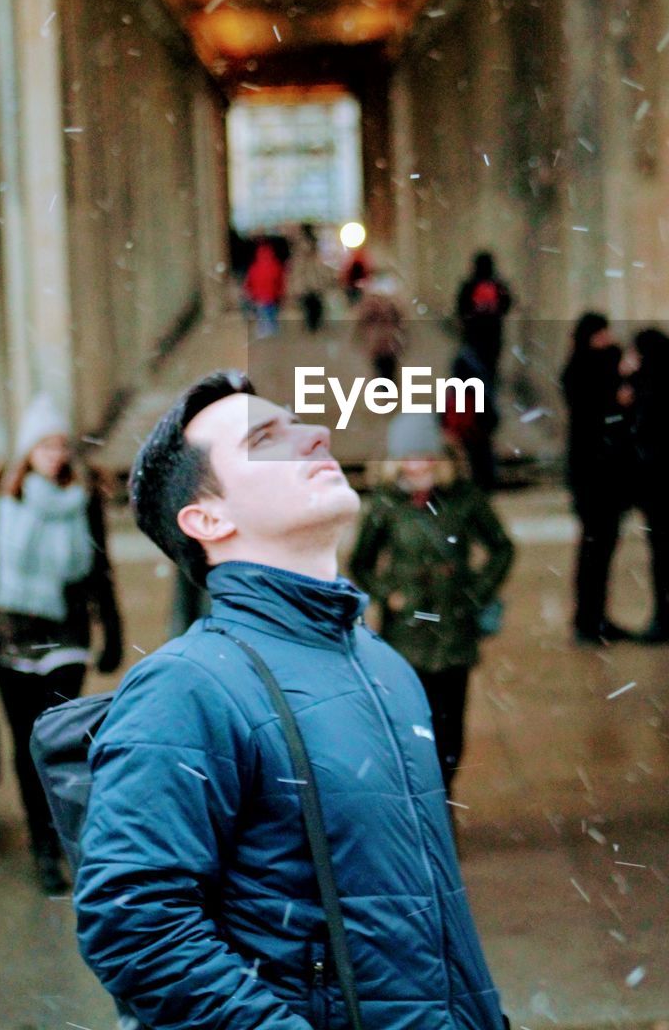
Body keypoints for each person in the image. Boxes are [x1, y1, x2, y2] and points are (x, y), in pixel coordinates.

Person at [74, 371, 510, 1030]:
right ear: (206, 518)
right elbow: (134, 926)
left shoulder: (383, 666)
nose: (315, 434)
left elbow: (424, 921)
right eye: (265, 438)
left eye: (296, 422)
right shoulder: (186, 686)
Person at [0, 395, 122, 893]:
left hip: (66, 638)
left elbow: (99, 569)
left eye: (60, 444)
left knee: (59, 741)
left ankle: (64, 837)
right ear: (28, 449)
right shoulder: (6, 499)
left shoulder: (83, 500)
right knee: (25, 747)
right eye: (45, 444)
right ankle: (43, 846)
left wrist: (112, 631)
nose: (55, 453)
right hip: (11, 642)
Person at [349, 412, 514, 796]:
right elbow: (360, 563)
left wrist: (473, 593)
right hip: (405, 633)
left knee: (450, 726)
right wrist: (388, 590)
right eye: (409, 457)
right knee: (408, 725)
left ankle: (443, 795)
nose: (417, 465)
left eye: (425, 456)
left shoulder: (464, 499)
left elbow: (501, 548)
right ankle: (420, 797)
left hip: (453, 631)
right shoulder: (385, 506)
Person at [622, 327, 669, 643]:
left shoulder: (652, 391)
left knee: (664, 551)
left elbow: (646, 436)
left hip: (658, 481)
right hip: (666, 480)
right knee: (668, 548)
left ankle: (668, 617)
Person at [560, 313, 633, 645]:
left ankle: (593, 617)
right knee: (595, 550)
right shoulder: (591, 371)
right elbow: (605, 409)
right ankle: (590, 620)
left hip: (596, 476)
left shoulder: (581, 369)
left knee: (597, 549)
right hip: (598, 476)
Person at [442, 342, 500, 491]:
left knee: (471, 461)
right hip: (475, 432)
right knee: (480, 460)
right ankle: (484, 486)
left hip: (466, 431)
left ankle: (477, 486)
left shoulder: (456, 390)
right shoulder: (476, 385)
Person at [455, 251, 512, 381]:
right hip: (493, 337)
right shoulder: (497, 285)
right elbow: (506, 305)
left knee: (472, 369)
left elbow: (461, 308)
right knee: (490, 370)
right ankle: (488, 395)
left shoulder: (470, 285)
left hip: (473, 335)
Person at [354, 272, 407, 382]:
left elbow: (401, 323)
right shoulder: (370, 307)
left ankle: (389, 387)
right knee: (380, 368)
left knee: (389, 369)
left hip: (389, 345)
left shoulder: (392, 307)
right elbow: (361, 323)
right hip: (378, 344)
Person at [288, 222, 332, 333]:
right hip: (313, 281)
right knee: (313, 305)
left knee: (309, 305)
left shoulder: (300, 246)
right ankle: (313, 326)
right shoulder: (313, 245)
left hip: (308, 281)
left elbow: (297, 267)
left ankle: (312, 326)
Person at [243, 237, 286, 337]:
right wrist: (281, 292)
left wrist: (249, 292)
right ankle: (273, 329)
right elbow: (280, 281)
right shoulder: (276, 265)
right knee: (271, 312)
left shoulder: (255, 267)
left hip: (259, 296)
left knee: (262, 313)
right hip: (272, 295)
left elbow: (249, 281)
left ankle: (264, 329)